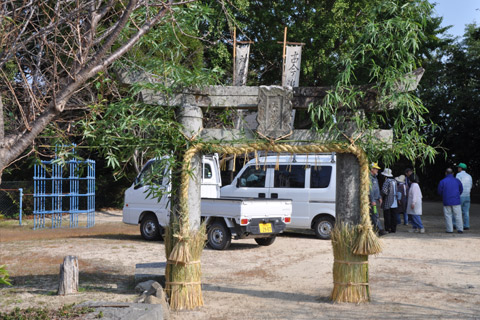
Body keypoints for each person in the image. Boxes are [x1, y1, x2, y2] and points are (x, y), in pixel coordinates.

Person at [438, 168, 463, 233]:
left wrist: (444, 196)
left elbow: (439, 191)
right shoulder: (457, 181)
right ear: (453, 173)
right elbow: (461, 190)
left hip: (446, 200)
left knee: (448, 215)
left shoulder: (442, 181)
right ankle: (460, 229)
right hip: (456, 200)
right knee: (458, 215)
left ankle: (449, 230)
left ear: (445, 173)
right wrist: (457, 195)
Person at [369, 162, 387, 236]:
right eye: (376, 169)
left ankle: (375, 229)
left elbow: (377, 188)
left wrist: (379, 197)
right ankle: (380, 230)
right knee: (375, 214)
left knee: (375, 215)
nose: (377, 171)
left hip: (376, 199)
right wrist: (372, 200)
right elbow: (370, 190)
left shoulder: (375, 177)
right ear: (372, 169)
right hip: (372, 201)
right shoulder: (369, 178)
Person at [456, 163, 472, 230]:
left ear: (460, 168)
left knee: (457, 211)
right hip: (467, 195)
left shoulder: (458, 175)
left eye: (458, 167)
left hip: (460, 195)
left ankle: (455, 224)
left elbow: (457, 184)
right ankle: (466, 225)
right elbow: (471, 185)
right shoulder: (469, 176)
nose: (457, 168)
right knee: (466, 211)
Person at [381, 168, 398, 233]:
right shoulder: (394, 181)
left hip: (388, 200)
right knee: (394, 215)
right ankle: (393, 229)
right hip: (394, 201)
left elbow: (384, 191)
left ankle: (388, 228)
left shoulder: (387, 181)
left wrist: (381, 196)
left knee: (387, 215)